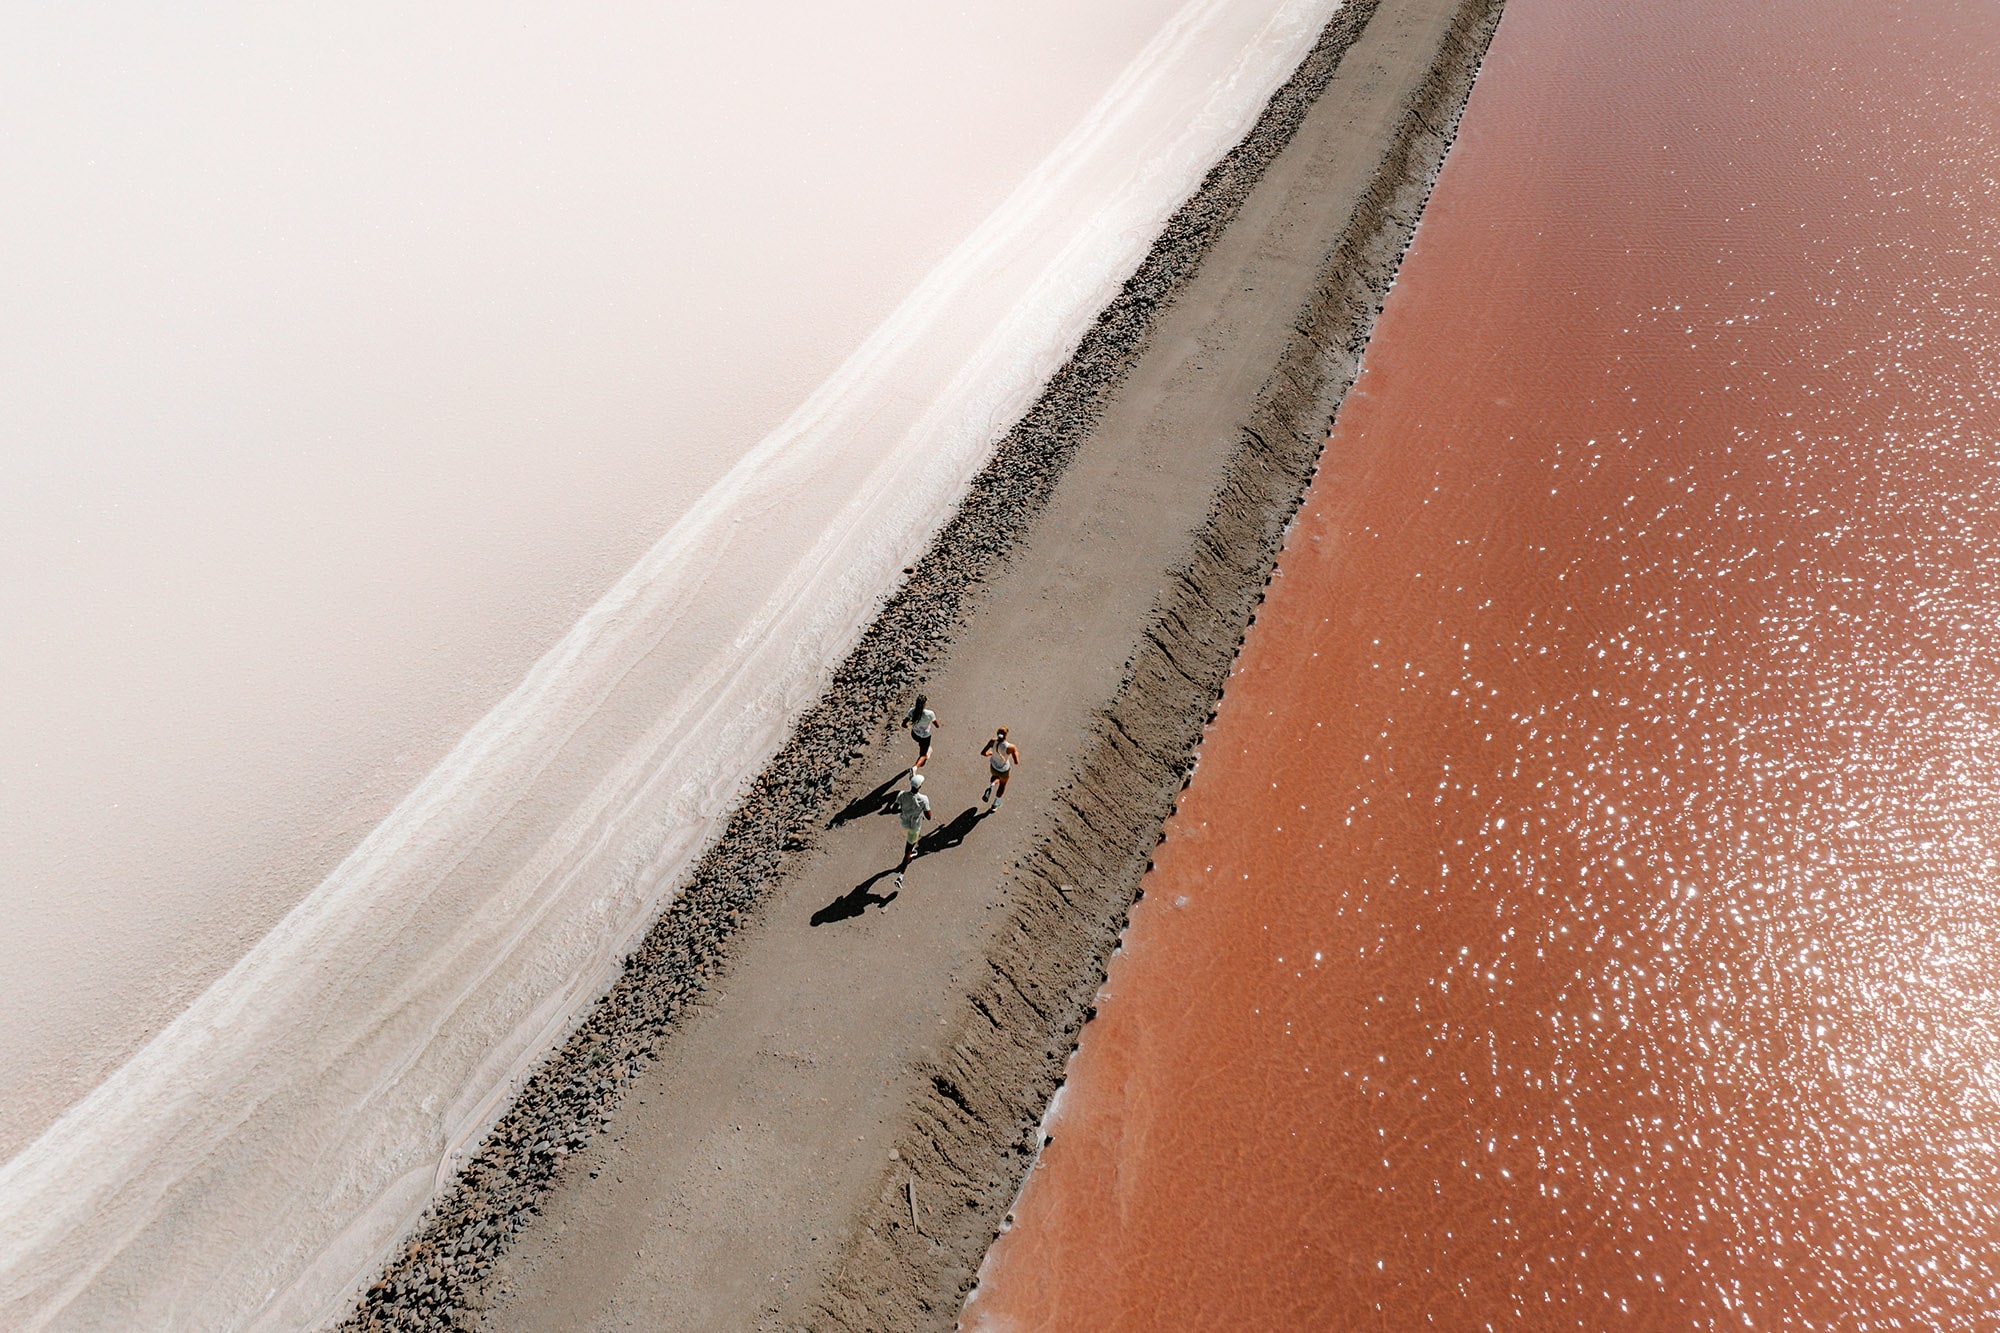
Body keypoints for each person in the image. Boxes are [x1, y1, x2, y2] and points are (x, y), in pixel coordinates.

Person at [894, 771, 931, 886]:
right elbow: (929, 817)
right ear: (919, 787)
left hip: (903, 823)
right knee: (907, 852)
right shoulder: (924, 799)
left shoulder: (901, 794)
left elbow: (894, 809)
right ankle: (900, 876)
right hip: (914, 827)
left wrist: (905, 811)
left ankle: (913, 848)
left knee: (911, 842)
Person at [981, 727, 1020, 811]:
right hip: (1004, 770)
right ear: (1006, 735)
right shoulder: (1011, 747)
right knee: (1002, 785)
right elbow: (1016, 762)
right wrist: (1016, 752)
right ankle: (995, 804)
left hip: (993, 767)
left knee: (995, 776)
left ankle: (991, 786)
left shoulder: (992, 741)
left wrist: (990, 753)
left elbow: (983, 753)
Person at [904, 694, 940, 769]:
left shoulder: (912, 711)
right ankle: (915, 767)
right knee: (923, 755)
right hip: (925, 736)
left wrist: (908, 725)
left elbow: (904, 724)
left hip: (915, 734)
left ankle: (924, 747)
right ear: (925, 704)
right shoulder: (930, 713)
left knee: (922, 744)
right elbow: (937, 725)